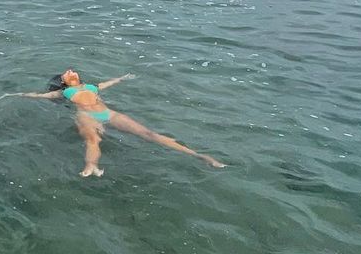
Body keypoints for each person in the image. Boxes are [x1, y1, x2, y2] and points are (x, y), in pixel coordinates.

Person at [12, 68, 225, 178]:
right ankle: (91, 165)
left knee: (150, 134)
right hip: (86, 116)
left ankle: (200, 156)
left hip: (108, 114)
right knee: (93, 141)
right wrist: (14, 95)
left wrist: (122, 78)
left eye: (72, 70)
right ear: (63, 81)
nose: (70, 71)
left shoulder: (92, 86)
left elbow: (109, 83)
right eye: (66, 73)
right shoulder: (63, 92)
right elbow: (39, 96)